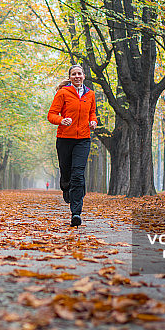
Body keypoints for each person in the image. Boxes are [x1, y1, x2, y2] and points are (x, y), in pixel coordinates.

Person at [47, 64, 97, 227]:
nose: (77, 76)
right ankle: (66, 188)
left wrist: (93, 122)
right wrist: (62, 120)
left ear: (84, 76)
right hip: (64, 138)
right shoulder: (63, 93)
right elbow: (51, 115)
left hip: (83, 138)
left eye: (79, 73)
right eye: (74, 74)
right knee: (66, 172)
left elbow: (92, 112)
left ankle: (76, 212)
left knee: (78, 173)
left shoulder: (90, 94)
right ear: (70, 77)